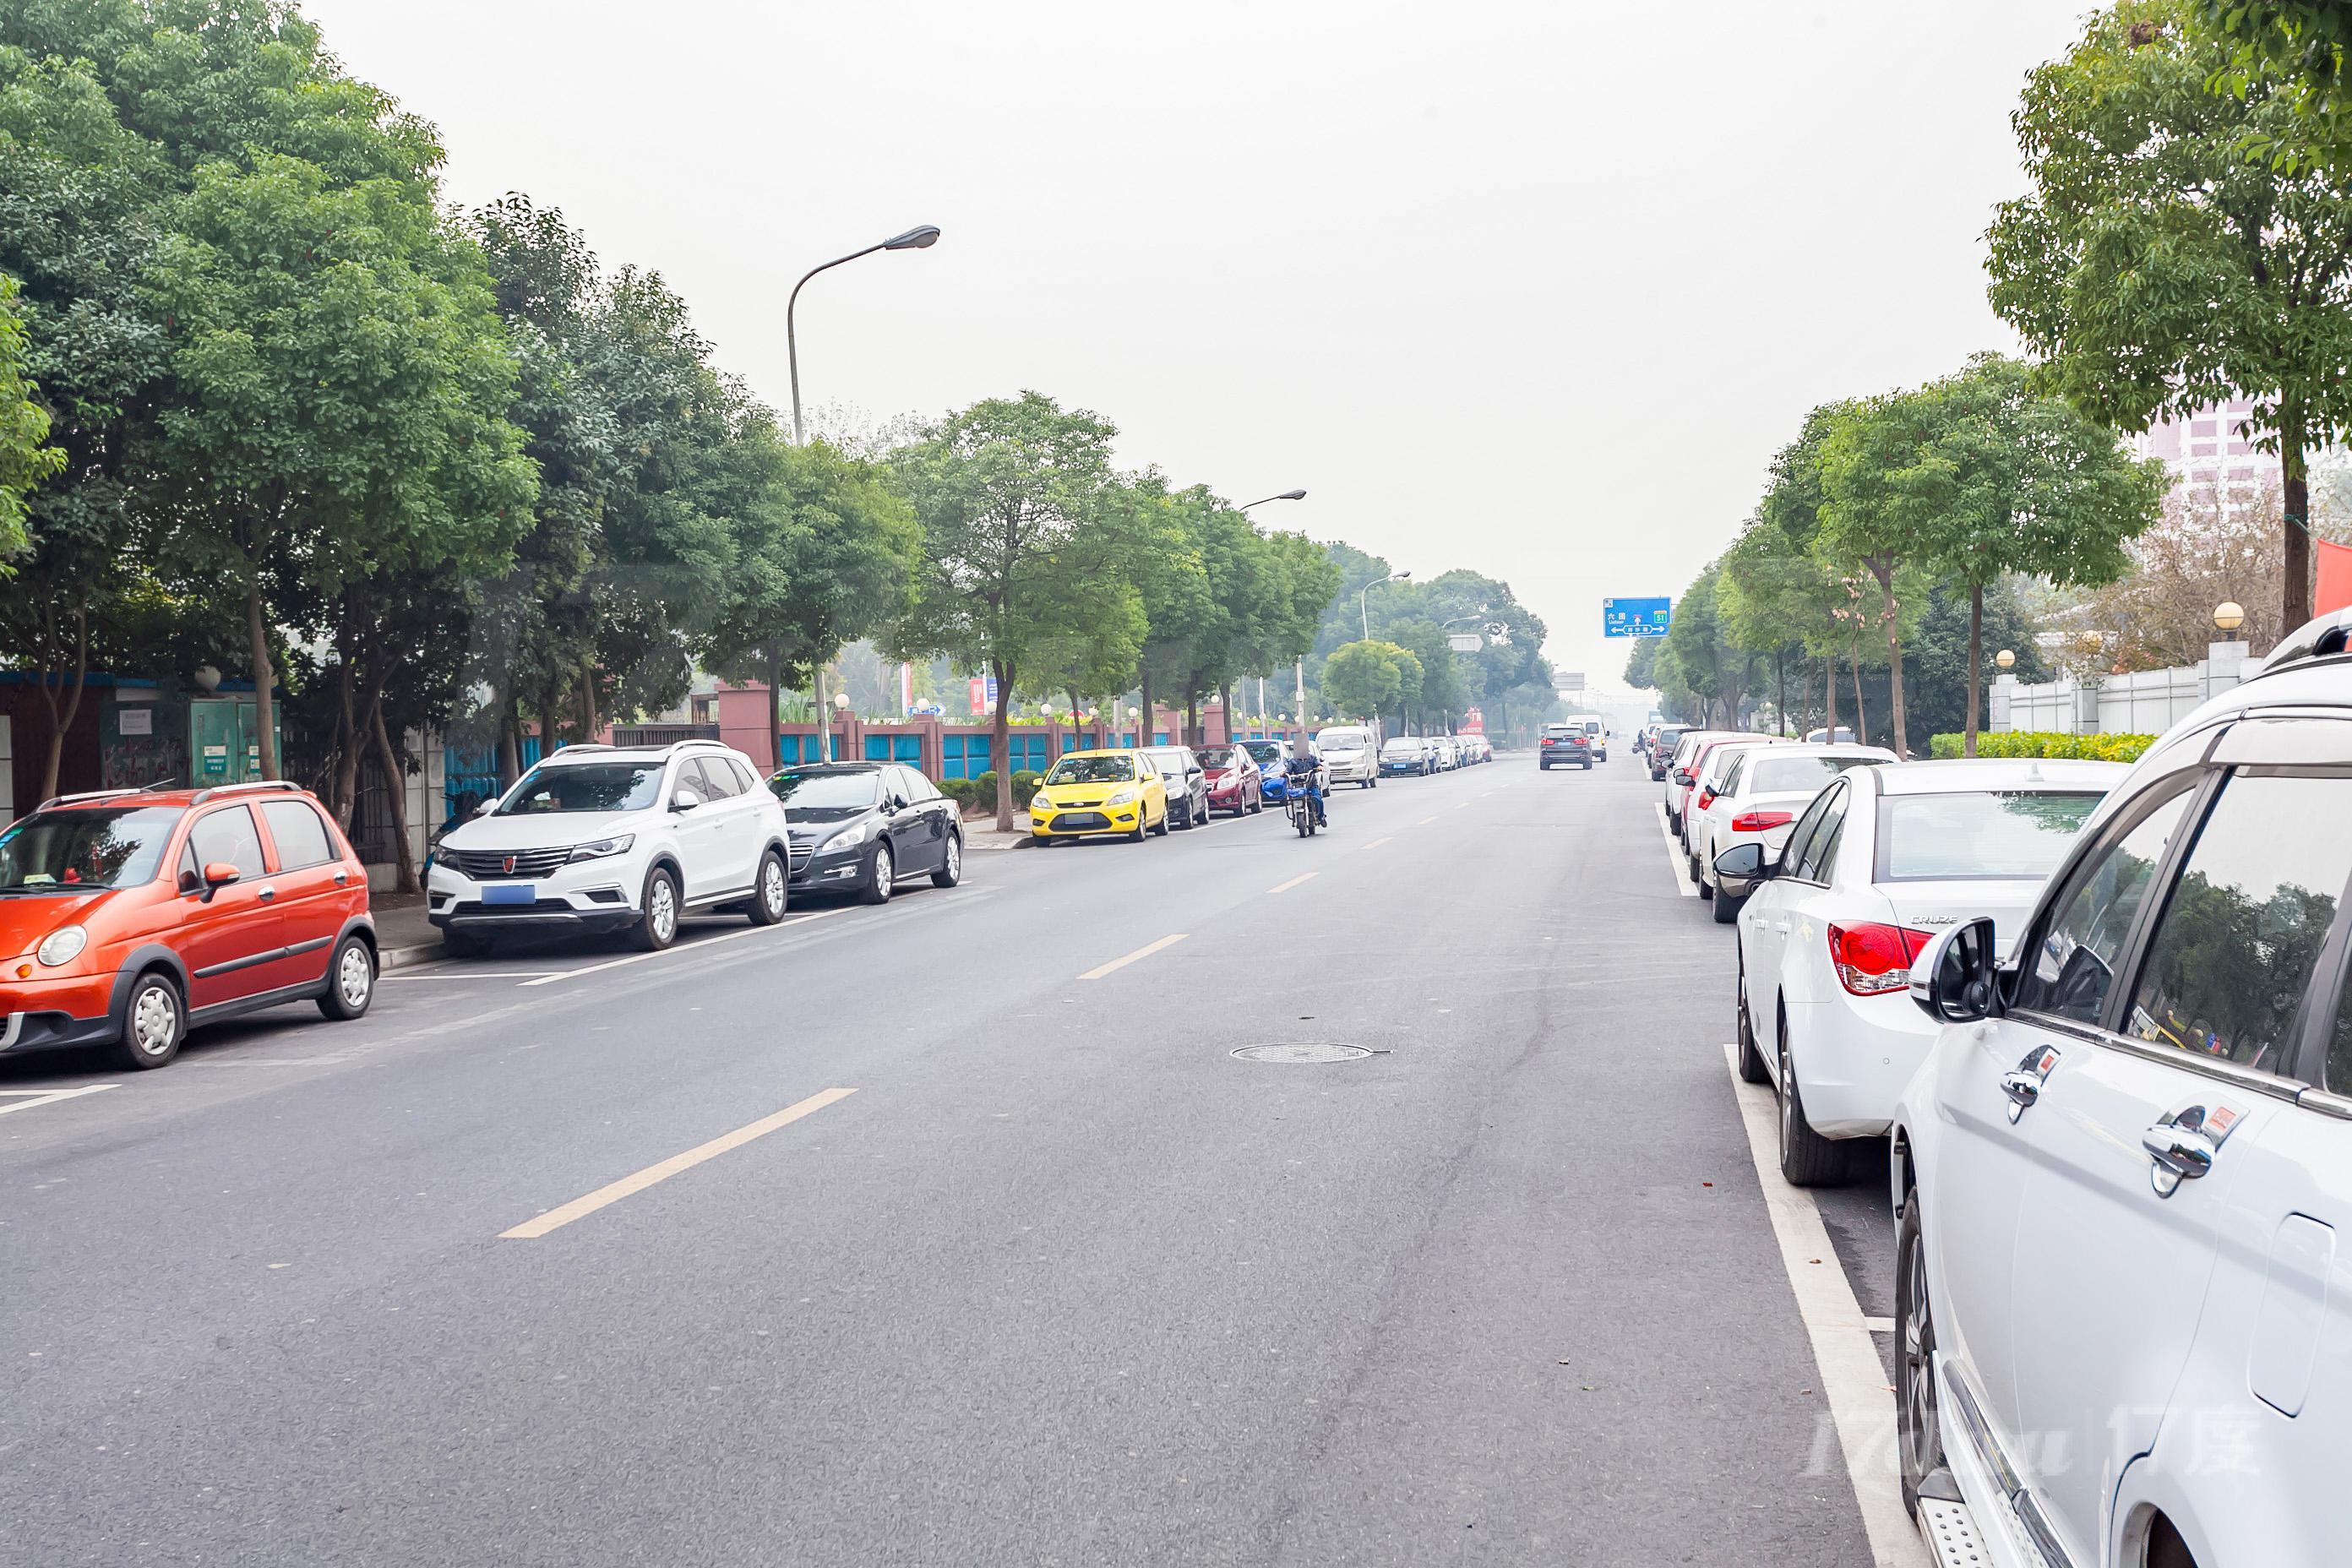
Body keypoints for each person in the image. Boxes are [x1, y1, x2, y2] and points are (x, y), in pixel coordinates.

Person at [1284, 739, 1328, 828]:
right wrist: (1284, 773)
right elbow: (1288, 770)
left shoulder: (1313, 758)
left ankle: (1321, 817)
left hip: (1312, 785)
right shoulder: (1293, 761)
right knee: (1293, 800)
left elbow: (1318, 764)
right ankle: (1296, 816)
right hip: (1299, 787)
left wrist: (1319, 767)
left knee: (1318, 799)